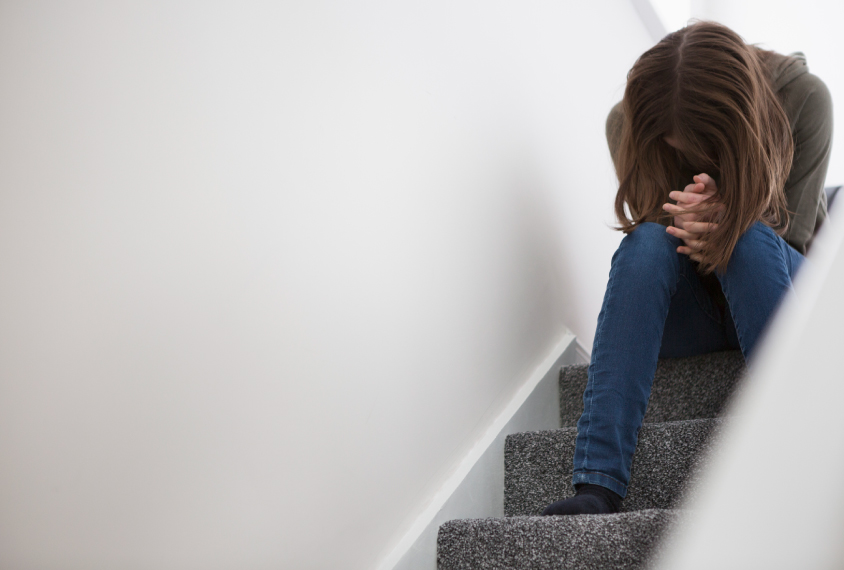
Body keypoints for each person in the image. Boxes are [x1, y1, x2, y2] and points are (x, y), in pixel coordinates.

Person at [542, 20, 833, 516]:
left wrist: (731, 216)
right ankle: (597, 484)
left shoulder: (804, 99)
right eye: (679, 149)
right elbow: (659, 255)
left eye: (705, 145)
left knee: (747, 239)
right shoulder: (630, 123)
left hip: (775, 290)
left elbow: (792, 241)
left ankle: (800, 454)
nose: (691, 157)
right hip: (694, 308)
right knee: (648, 241)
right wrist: (685, 221)